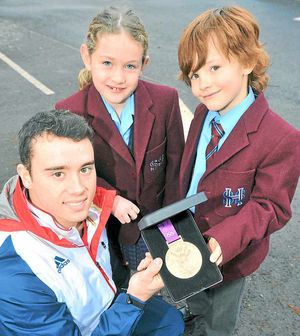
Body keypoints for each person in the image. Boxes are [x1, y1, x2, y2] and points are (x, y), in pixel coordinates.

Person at [0, 110, 184, 336]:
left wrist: (136, 283)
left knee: (172, 321)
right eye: (58, 173)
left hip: (106, 305)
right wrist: (134, 300)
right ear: (25, 176)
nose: (79, 189)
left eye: (85, 169)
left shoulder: (92, 204)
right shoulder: (13, 271)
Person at [177, 6, 300, 335]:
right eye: (195, 75)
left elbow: (271, 207)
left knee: (218, 317)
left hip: (229, 256)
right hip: (189, 236)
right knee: (197, 299)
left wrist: (224, 240)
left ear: (247, 62)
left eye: (214, 67)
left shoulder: (281, 138)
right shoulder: (205, 113)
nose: (204, 84)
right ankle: (196, 314)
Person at [55, 6, 185, 284]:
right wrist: (109, 199)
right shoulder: (68, 111)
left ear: (144, 65)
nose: (118, 77)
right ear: (86, 57)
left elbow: (175, 170)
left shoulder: (165, 101)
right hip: (97, 230)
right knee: (110, 289)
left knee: (148, 289)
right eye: (107, 63)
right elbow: (68, 176)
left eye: (130, 66)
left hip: (151, 227)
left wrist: (172, 225)